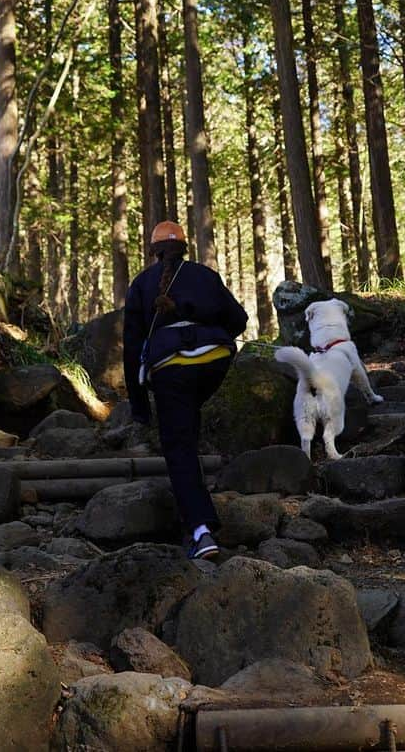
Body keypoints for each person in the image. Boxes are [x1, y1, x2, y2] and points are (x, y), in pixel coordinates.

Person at [123, 220, 248, 560]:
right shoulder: (205, 276)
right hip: (214, 359)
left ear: (154, 252)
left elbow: (132, 348)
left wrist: (139, 408)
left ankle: (201, 530)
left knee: (178, 445)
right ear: (184, 249)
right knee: (186, 419)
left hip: (170, 366)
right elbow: (239, 319)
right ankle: (198, 511)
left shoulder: (142, 284)